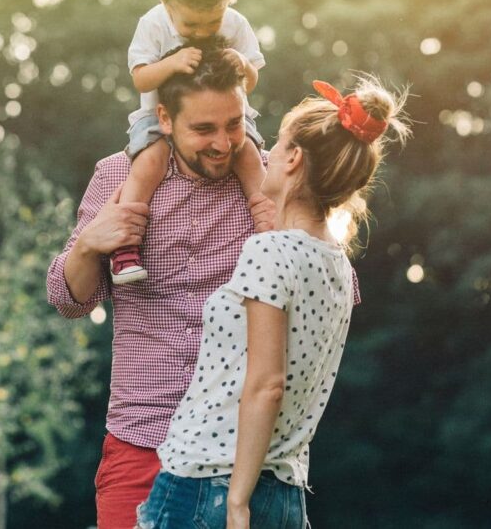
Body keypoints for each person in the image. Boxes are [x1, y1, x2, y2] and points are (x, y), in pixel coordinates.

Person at [136, 77, 410, 529]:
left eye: (279, 144)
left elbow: (268, 384)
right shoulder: (339, 267)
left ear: (294, 158)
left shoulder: (270, 251)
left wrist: (237, 503)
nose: (266, 154)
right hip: (285, 496)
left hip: (210, 486)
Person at [46, 45, 275, 529]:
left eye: (234, 124)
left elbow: (323, 295)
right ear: (165, 119)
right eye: (204, 129)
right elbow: (68, 299)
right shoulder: (117, 175)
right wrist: (89, 246)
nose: (222, 143)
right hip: (141, 439)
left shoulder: (270, 181)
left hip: (238, 448)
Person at [110, 0, 268, 285]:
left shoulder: (236, 24)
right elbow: (141, 79)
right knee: (147, 164)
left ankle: (270, 230)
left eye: (211, 24)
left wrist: (242, 64)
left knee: (250, 157)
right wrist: (173, 63)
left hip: (226, 114)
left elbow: (251, 82)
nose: (200, 34)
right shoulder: (153, 24)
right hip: (157, 118)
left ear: (229, 0)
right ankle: (124, 249)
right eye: (190, 26)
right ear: (166, 3)